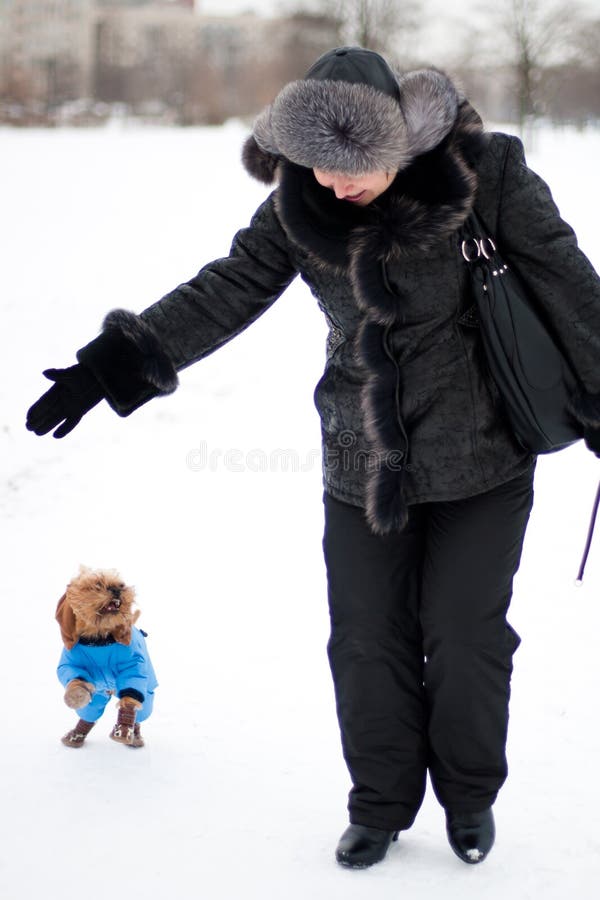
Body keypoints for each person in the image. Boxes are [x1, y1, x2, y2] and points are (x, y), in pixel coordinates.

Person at [26, 47, 600, 867]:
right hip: (360, 463)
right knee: (366, 639)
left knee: (468, 638)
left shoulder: (484, 173)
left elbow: (569, 282)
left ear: (398, 141)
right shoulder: (300, 205)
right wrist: (111, 364)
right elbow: (225, 288)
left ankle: (470, 799)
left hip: (485, 453)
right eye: (316, 168)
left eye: (351, 166)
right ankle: (379, 804)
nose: (333, 185)